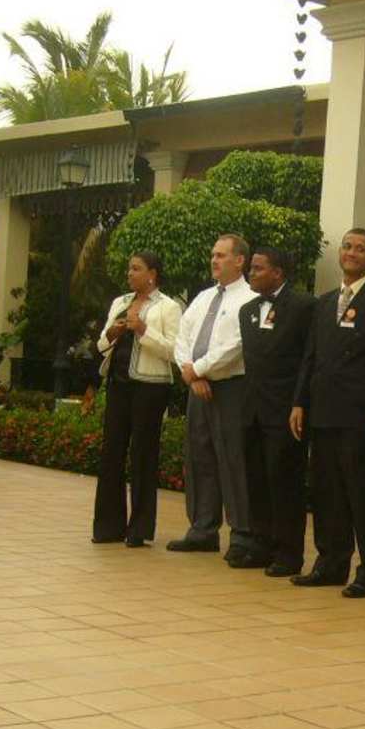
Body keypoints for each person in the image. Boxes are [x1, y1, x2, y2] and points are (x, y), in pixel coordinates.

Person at [290, 228, 365, 596]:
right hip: (323, 410)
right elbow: (310, 357)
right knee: (326, 492)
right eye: (347, 247)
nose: (352, 253)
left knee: (361, 494)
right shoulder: (323, 303)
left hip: (360, 415)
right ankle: (330, 563)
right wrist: (299, 401)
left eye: (360, 249)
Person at [168, 234, 258, 560]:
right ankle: (202, 529)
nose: (214, 260)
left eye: (221, 255)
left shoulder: (249, 299)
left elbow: (236, 346)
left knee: (233, 459)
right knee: (199, 456)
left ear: (240, 260)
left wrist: (199, 369)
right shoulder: (203, 298)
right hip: (198, 387)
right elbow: (183, 337)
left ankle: (242, 535)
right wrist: (191, 373)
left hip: (231, 388)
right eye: (213, 255)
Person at [92, 251, 181, 548]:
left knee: (143, 455)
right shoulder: (120, 302)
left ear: (152, 274)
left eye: (136, 269)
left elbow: (174, 351)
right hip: (118, 384)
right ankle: (108, 526)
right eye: (129, 269)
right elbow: (101, 345)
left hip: (150, 387)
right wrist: (112, 333)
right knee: (111, 453)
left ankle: (139, 528)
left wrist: (143, 330)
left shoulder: (168, 307)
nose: (130, 274)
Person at [237, 247, 315, 573]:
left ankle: (288, 553)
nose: (251, 273)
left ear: (278, 273)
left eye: (258, 268)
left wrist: (299, 402)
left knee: (284, 482)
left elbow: (307, 360)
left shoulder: (303, 307)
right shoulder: (247, 310)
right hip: (252, 408)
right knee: (256, 480)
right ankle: (261, 544)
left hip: (284, 410)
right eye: (251, 268)